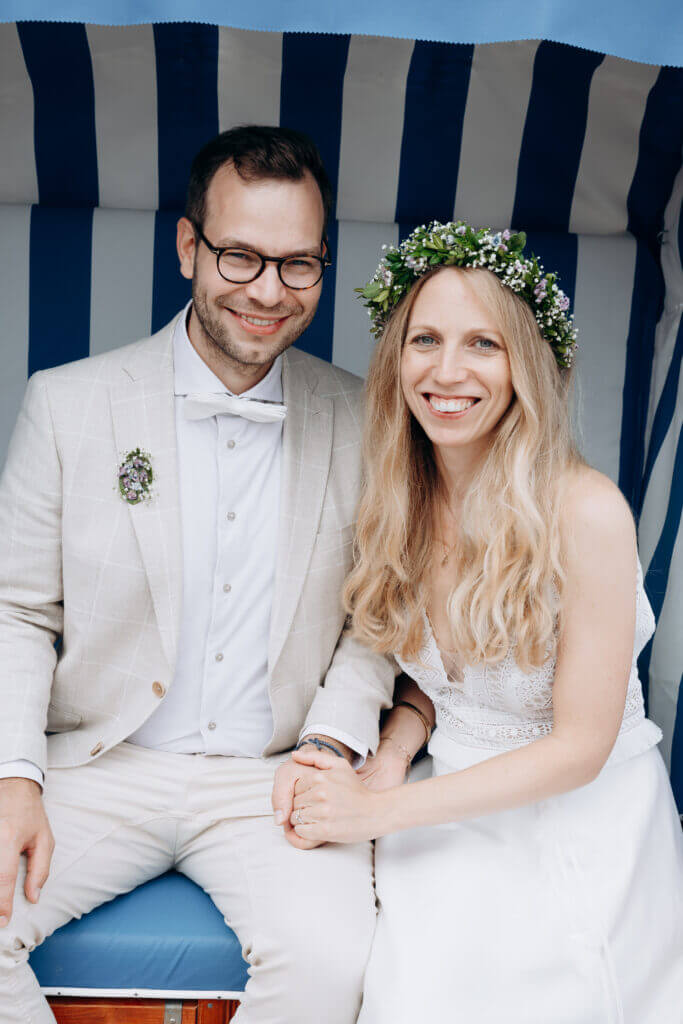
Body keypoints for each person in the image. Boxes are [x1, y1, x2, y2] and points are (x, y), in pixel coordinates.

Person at [0, 125, 396, 1024]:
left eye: (298, 264)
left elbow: (381, 614)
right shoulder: (66, 404)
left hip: (273, 775)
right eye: (241, 257)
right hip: (99, 762)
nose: (269, 291)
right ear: (188, 248)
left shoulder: (364, 417)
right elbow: (14, 611)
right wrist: (15, 778)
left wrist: (329, 745)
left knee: (334, 963)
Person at [288, 222, 683, 1022]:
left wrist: (375, 812)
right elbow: (446, 680)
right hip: (438, 805)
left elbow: (578, 747)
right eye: (424, 339)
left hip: (572, 820)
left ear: (524, 368)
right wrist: (395, 749)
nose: (446, 371)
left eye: (482, 345)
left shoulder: (586, 511)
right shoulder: (401, 498)